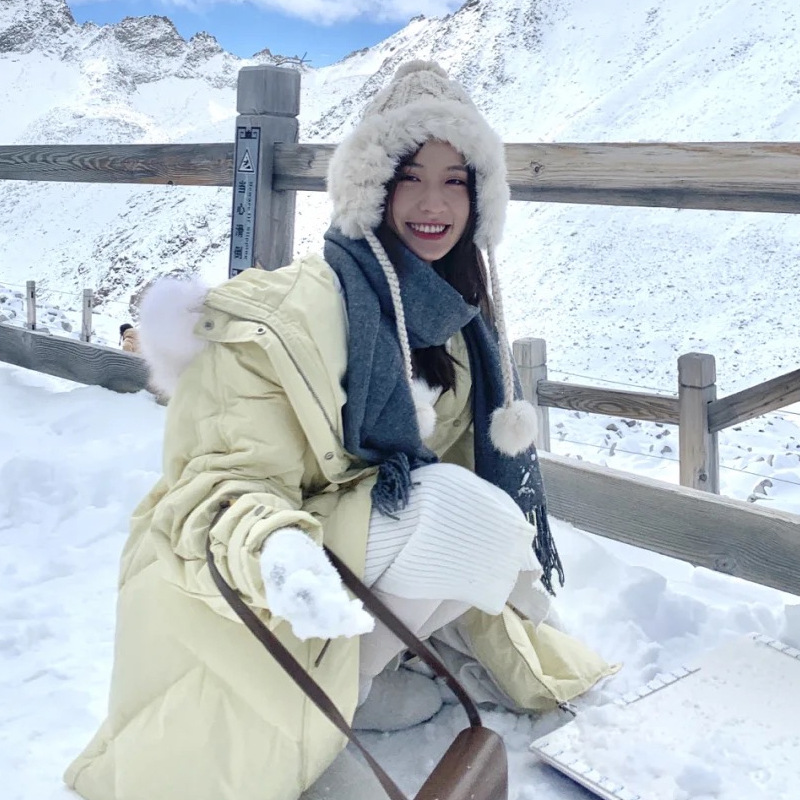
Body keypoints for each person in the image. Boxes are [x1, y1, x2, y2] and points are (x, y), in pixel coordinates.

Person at [65, 61, 616, 800]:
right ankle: (318, 714)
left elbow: (460, 479)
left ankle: (355, 681)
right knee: (465, 513)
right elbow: (217, 482)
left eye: (455, 181)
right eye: (409, 176)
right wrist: (279, 550)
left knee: (480, 521)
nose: (433, 203)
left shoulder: (454, 323)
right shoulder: (287, 315)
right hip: (249, 555)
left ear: (480, 198)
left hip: (345, 537)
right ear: (370, 186)